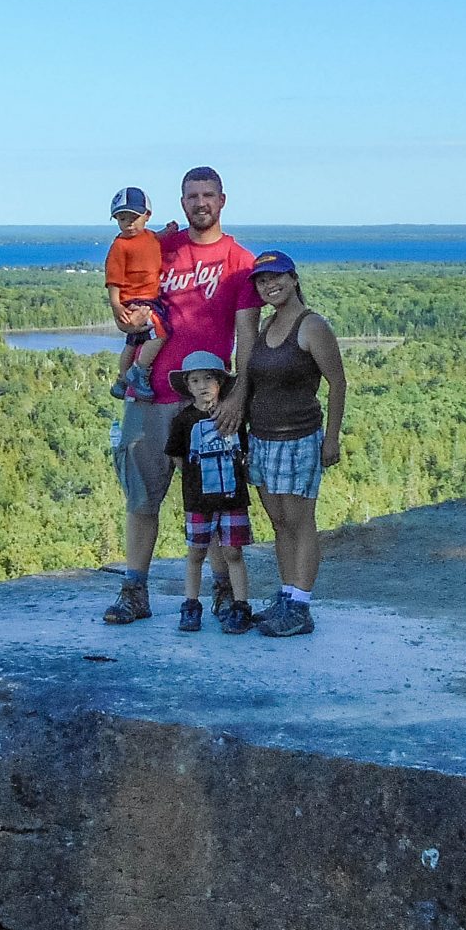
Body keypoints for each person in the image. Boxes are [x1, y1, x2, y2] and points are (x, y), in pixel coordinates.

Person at [103, 166, 262, 626]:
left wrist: (238, 397)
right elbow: (127, 307)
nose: (200, 203)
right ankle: (134, 591)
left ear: (223, 200)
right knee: (141, 497)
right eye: (192, 196)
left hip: (207, 402)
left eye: (208, 195)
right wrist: (124, 318)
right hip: (149, 396)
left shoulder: (240, 262)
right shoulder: (159, 247)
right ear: (181, 201)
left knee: (212, 498)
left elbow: (247, 340)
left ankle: (222, 593)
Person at [242, 250, 347, 637]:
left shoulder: (311, 325)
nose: (270, 285)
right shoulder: (267, 327)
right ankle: (287, 595)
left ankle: (301, 606)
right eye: (262, 280)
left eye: (277, 277)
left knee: (301, 523)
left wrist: (331, 438)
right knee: (280, 522)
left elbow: (338, 382)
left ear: (294, 278)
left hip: (300, 438)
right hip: (264, 439)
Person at [161, 352, 254, 632]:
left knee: (233, 552)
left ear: (220, 383)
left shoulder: (233, 416)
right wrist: (194, 477)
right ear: (188, 386)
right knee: (196, 553)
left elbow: (243, 452)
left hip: (232, 498)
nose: (203, 385)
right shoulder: (184, 421)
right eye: (196, 380)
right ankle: (191, 605)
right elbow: (176, 456)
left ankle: (240, 605)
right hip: (199, 501)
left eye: (209, 378)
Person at [103, 186, 168, 402]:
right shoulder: (120, 246)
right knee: (160, 332)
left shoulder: (148, 236)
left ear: (147, 216)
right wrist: (116, 305)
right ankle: (139, 371)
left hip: (148, 297)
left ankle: (121, 380)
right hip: (136, 300)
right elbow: (113, 279)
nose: (128, 223)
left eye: (133, 217)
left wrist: (169, 232)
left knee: (133, 341)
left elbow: (153, 241)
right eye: (122, 219)